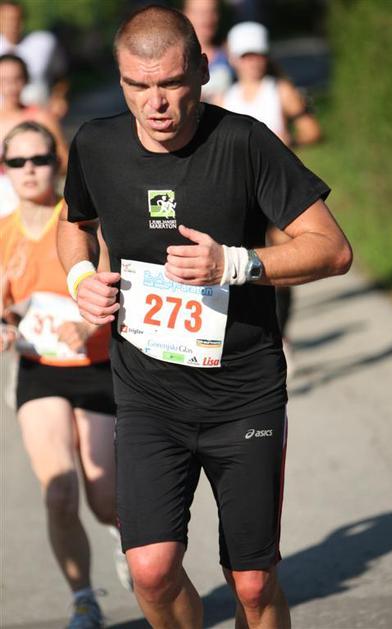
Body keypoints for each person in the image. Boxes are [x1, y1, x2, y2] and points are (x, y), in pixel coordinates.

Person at [57, 6, 352, 628]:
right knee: (150, 570)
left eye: (171, 83)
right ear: (119, 79)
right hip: (148, 395)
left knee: (252, 583)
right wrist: (81, 279)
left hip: (243, 395)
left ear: (202, 70)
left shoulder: (244, 142)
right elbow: (74, 224)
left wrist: (234, 264)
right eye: (138, 86)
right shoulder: (96, 144)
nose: (156, 103)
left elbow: (332, 249)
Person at [0, 121, 130, 629]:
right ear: (5, 170)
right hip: (40, 372)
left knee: (103, 495)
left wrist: (88, 321)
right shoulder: (4, 233)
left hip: (96, 368)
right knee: (59, 491)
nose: (30, 170)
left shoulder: (80, 221)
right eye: (18, 162)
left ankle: (124, 536)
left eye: (40, 159)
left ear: (57, 164)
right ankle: (83, 600)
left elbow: (117, 279)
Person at [220, 21, 322, 370]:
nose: (252, 62)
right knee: (243, 264)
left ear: (265, 56)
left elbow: (311, 130)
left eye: (257, 55)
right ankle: (254, 335)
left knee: (280, 264)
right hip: (240, 193)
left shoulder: (280, 90)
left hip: (277, 191)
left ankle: (281, 334)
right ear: (235, 59)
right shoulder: (225, 98)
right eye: (245, 56)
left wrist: (288, 141)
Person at [0, 53, 68, 216]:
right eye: (4, 80)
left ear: (26, 79)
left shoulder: (42, 117)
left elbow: (64, 160)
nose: (11, 87)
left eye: (17, 79)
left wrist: (39, 169)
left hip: (39, 202)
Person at [0, 0, 68, 112]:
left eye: (16, 19)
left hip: (39, 114)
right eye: (6, 19)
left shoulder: (44, 42)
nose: (12, 24)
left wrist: (58, 98)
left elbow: (61, 75)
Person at [183, 0, 233, 101]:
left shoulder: (232, 54)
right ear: (185, 15)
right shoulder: (173, 57)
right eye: (200, 12)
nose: (207, 18)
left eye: (212, 11)